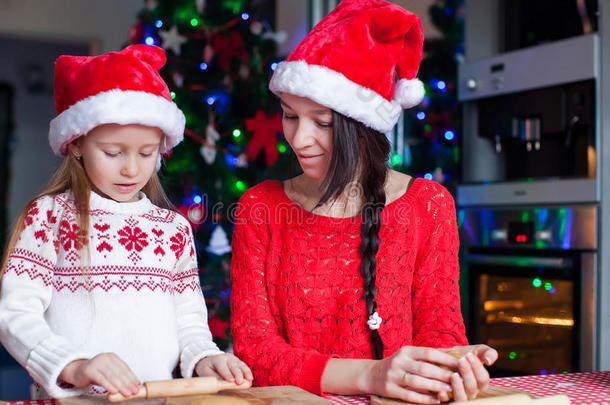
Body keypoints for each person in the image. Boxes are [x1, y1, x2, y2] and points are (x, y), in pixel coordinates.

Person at [230, 1, 497, 404]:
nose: (299, 139)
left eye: (321, 122)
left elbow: (439, 332)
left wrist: (452, 365)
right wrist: (371, 375)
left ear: (365, 126)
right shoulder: (261, 208)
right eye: (289, 116)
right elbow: (256, 352)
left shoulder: (427, 205)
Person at [0, 44, 252, 399]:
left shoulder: (173, 230)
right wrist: (74, 366)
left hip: (156, 397)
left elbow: (189, 321)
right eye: (113, 152)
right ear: (76, 144)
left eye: (147, 153)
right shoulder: (49, 218)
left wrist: (204, 356)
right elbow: (15, 315)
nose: (131, 168)